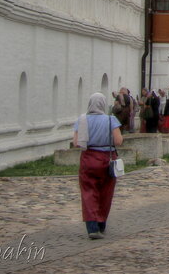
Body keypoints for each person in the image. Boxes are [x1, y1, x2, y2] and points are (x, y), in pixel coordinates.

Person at [72, 93, 123, 239]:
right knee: (105, 192)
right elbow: (118, 141)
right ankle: (101, 223)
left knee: (88, 192)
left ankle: (91, 227)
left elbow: (76, 142)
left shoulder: (82, 120)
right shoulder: (110, 120)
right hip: (106, 158)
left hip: (88, 158)